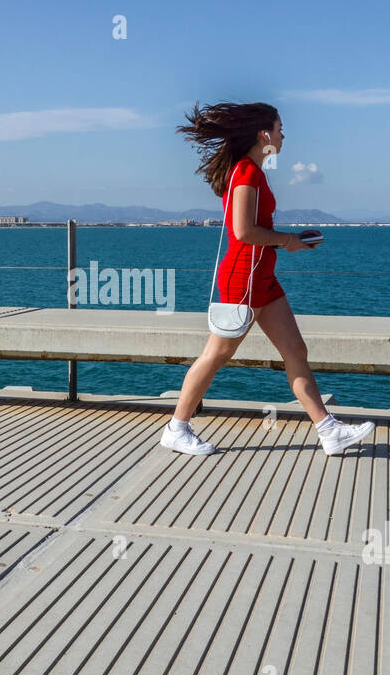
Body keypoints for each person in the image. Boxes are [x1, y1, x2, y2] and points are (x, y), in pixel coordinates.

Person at [160, 101, 375, 456]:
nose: (283, 134)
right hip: (242, 278)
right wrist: (287, 240)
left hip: (262, 278)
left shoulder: (252, 171)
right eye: (278, 128)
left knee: (296, 351)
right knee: (216, 355)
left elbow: (254, 229)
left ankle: (328, 431)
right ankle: (176, 429)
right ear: (264, 135)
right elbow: (243, 231)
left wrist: (292, 239)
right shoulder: (246, 172)